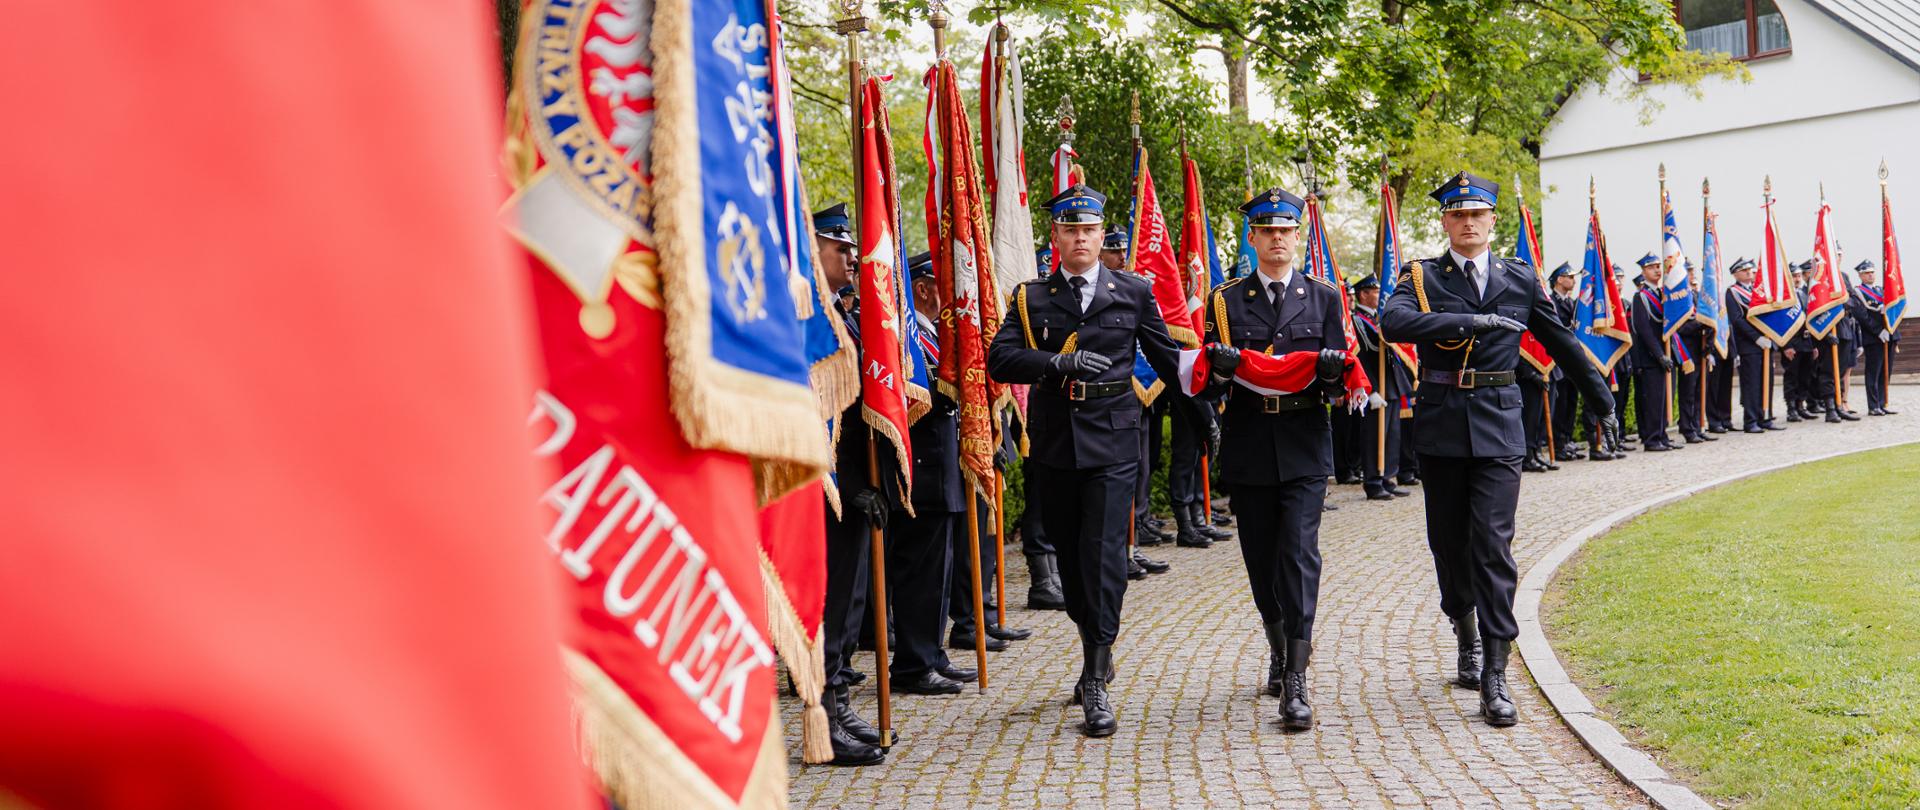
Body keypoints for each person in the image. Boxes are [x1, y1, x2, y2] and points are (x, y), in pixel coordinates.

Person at [1381, 171, 1617, 728]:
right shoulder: (1421, 275)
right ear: (1446, 222)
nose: (1468, 223)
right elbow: (1393, 322)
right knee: (1448, 544)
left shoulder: (1518, 276)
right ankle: (1463, 628)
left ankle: (1494, 669)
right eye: (1457, 215)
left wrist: (1602, 400)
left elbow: (1562, 341)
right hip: (1440, 424)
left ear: (1491, 222)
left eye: (1477, 215)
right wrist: (1468, 320)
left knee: (1492, 544)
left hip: (1499, 426)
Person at [988, 184, 1184, 738]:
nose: (1080, 238)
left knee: (1101, 556)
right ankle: (1093, 639)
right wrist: (1057, 362)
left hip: (1116, 440)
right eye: (1070, 229)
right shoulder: (1031, 296)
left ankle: (1095, 675)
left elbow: (1167, 360)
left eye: (1089, 230)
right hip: (1055, 442)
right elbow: (999, 358)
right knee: (1072, 563)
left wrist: (1201, 411)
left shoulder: (1134, 291)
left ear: (1102, 236)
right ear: (1056, 237)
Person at [1199, 186, 1348, 730]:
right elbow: (1211, 381)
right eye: (1268, 231)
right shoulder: (1226, 301)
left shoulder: (1326, 297)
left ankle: (1298, 676)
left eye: (1287, 231)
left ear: (1298, 237)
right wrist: (1218, 369)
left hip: (1305, 442)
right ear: (1254, 237)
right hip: (1249, 443)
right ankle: (1278, 646)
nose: (1278, 239)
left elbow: (1338, 380)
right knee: (1261, 560)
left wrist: (1331, 378)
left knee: (1299, 553)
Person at [813, 204, 887, 765]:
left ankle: (837, 699)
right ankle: (823, 712)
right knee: (829, 597)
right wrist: (841, 480)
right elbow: (810, 410)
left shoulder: (848, 313)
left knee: (850, 597)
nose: (851, 258)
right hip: (823, 483)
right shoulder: (807, 318)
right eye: (840, 248)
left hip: (856, 481)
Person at [1352, 275, 1413, 500]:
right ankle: (1373, 481)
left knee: (1392, 435)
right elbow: (1360, 357)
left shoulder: (1380, 318)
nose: (1380, 295)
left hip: (1392, 383)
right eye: (1375, 291)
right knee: (1373, 436)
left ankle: (1388, 476)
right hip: (1375, 384)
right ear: (1364, 294)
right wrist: (1370, 389)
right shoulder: (1356, 321)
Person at [1724, 258, 1783, 432]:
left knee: (1767, 381)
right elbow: (1737, 320)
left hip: (1766, 344)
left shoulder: (1758, 292)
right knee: (1751, 384)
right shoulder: (1733, 293)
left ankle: (1765, 416)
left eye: (1750, 269)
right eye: (1743, 270)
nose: (1749, 272)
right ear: (1735, 274)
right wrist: (1756, 337)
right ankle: (1750, 421)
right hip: (1749, 345)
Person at [1629, 253, 1679, 451]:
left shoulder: (1661, 294)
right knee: (1653, 399)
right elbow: (1644, 330)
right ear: (1643, 271)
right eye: (1652, 267)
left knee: (1663, 399)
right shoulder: (1641, 296)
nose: (1657, 270)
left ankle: (1662, 434)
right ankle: (1651, 439)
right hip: (1651, 358)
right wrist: (1659, 355)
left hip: (1663, 354)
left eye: (1659, 266)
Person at [1852, 261, 1900, 415]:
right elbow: (1862, 316)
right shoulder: (1858, 292)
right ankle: (1873, 406)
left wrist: (1891, 332)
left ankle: (1882, 403)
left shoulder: (1881, 290)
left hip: (1888, 336)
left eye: (1872, 272)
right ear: (1860, 275)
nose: (1870, 275)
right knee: (1874, 371)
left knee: (1886, 372)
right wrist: (1879, 331)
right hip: (1873, 338)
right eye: (1866, 273)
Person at [1548, 263, 1585, 460]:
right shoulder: (1551, 301)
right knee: (1560, 404)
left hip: (1573, 360)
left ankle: (1568, 439)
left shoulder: (1571, 303)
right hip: (1559, 361)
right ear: (1559, 279)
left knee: (1571, 401)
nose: (1573, 280)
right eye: (1569, 277)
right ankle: (1559, 443)